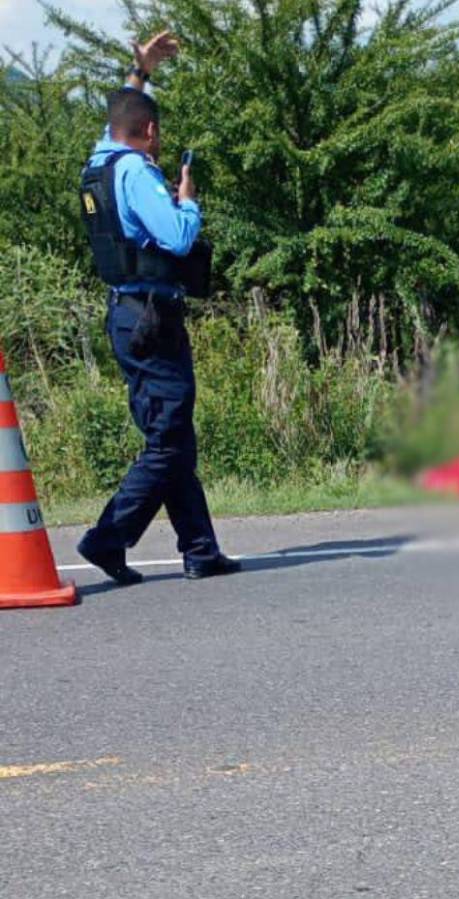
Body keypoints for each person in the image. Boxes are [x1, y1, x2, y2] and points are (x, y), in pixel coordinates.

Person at [75, 32, 240, 585]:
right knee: (167, 441)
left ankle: (200, 549)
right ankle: (107, 537)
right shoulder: (136, 170)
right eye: (156, 132)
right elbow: (175, 239)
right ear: (150, 133)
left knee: (174, 437)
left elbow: (119, 114)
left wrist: (139, 72)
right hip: (152, 318)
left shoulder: (102, 159)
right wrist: (187, 204)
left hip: (126, 314)